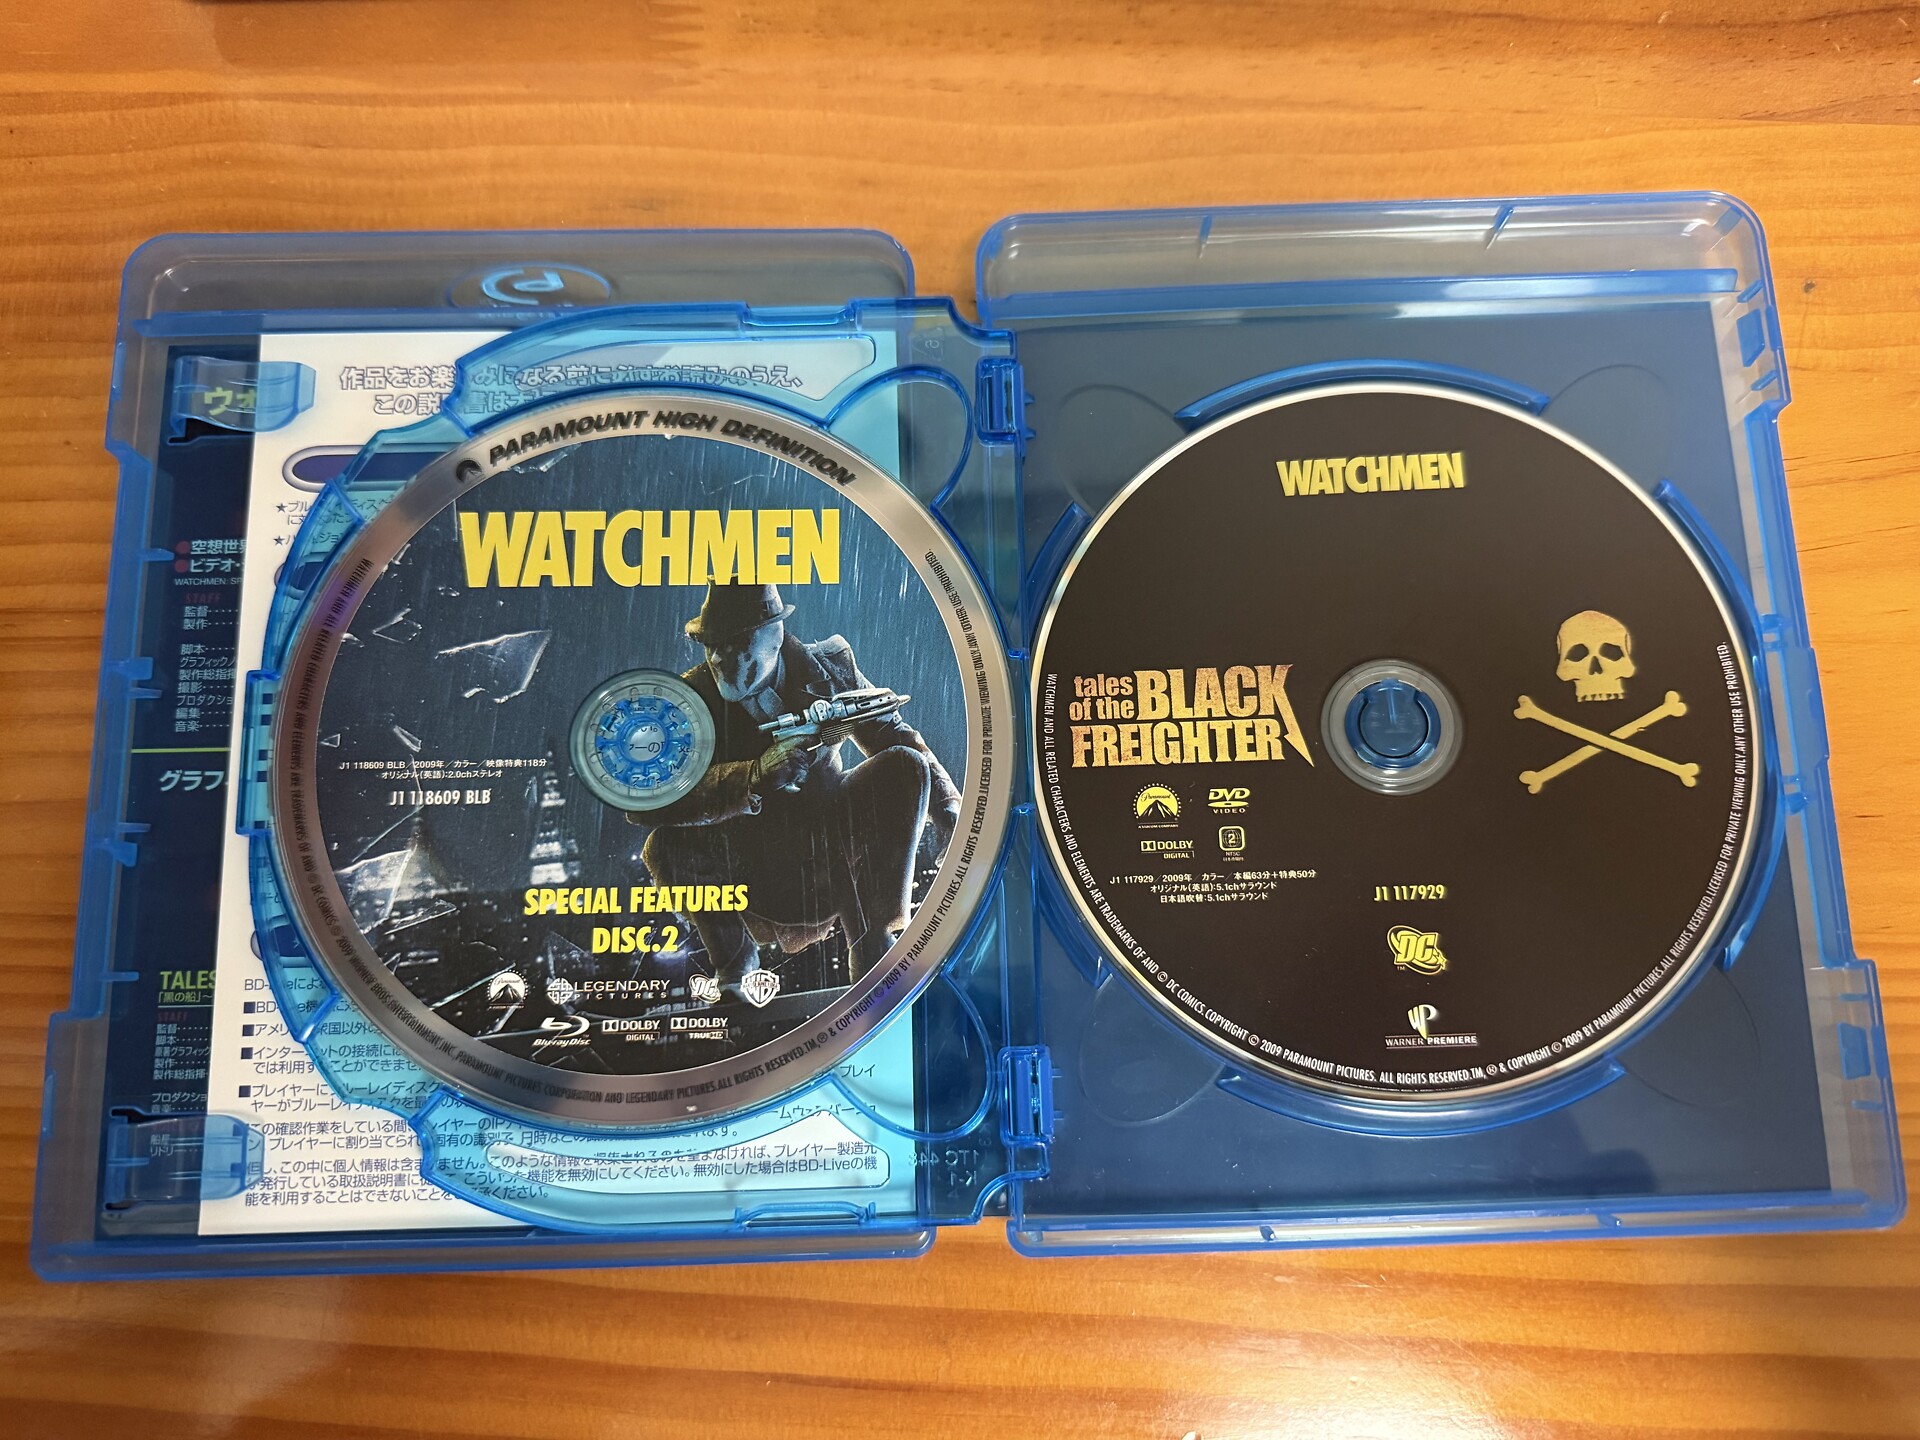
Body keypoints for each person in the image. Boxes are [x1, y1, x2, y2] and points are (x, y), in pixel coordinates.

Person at [635, 580, 960, 997]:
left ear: (775, 635)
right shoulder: (688, 700)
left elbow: (891, 732)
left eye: (736, 644)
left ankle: (874, 941)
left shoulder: (829, 667)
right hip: (750, 868)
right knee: (663, 845)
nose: (718, 658)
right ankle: (735, 970)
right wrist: (751, 777)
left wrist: (950, 810)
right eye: (710, 645)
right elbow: (647, 801)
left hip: (834, 849)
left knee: (904, 764)